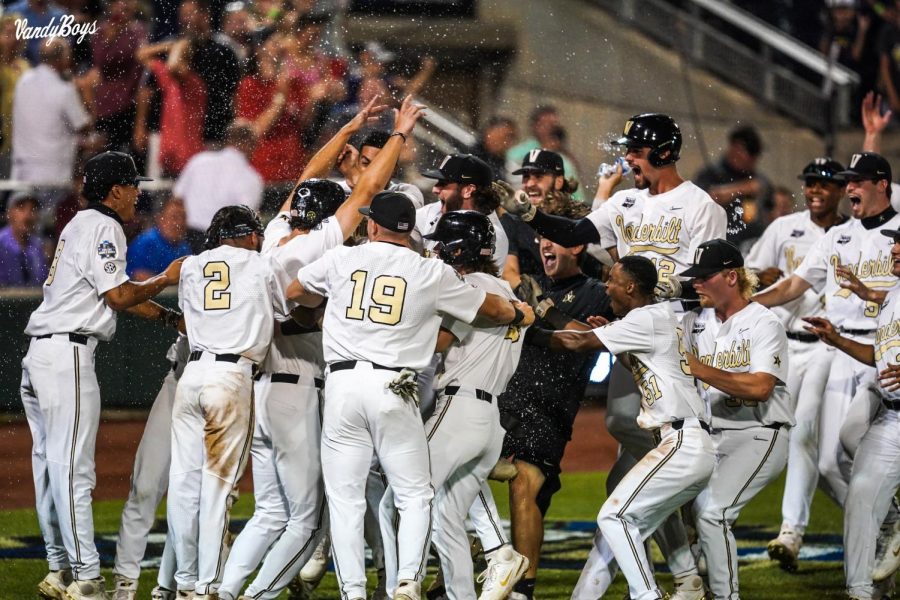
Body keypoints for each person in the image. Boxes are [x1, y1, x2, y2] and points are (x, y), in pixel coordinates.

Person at [505, 113, 725, 600]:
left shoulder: (699, 205)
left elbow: (716, 273)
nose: (628, 157)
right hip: (633, 333)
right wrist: (530, 216)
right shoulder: (625, 200)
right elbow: (576, 230)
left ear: (664, 153)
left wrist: (670, 286)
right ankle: (686, 572)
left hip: (679, 337)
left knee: (633, 429)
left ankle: (692, 544)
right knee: (625, 456)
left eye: (637, 150)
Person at [217, 96, 423, 600]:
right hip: (298, 386)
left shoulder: (274, 235)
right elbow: (370, 188)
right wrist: (398, 133)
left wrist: (350, 124)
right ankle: (257, 596)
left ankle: (220, 592)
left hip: (263, 387)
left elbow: (309, 172)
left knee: (270, 512)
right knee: (309, 520)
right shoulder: (318, 245)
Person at [286, 191, 534, 600]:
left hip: (344, 387)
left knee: (348, 500)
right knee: (417, 495)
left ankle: (354, 591)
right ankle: (407, 584)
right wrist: (521, 312)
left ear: (371, 225)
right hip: (396, 388)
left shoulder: (344, 259)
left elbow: (296, 291)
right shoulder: (430, 273)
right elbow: (491, 308)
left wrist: (330, 308)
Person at [22, 151, 182, 600]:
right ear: (115, 190)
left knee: (51, 472)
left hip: (42, 356)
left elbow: (116, 293)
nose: (137, 194)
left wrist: (168, 318)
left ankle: (60, 568)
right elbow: (118, 294)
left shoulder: (77, 224)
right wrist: (166, 278)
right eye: (133, 186)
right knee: (74, 471)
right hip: (66, 355)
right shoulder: (104, 226)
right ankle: (88, 576)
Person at [534, 256, 714, 600]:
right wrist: (614, 340)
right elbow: (638, 363)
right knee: (628, 522)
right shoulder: (654, 318)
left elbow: (577, 342)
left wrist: (534, 322)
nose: (607, 286)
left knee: (614, 518)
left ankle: (648, 595)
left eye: (613, 280)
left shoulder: (646, 318)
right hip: (682, 441)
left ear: (631, 286)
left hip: (680, 443)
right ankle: (686, 582)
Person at [754, 151, 900, 575]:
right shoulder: (837, 237)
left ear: (882, 185)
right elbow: (794, 285)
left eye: (857, 180)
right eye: (847, 180)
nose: (849, 187)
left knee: (865, 445)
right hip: (840, 351)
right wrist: (746, 305)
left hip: (887, 354)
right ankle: (889, 523)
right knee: (829, 460)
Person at [377, 210, 531, 600]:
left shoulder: (471, 287)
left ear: (460, 248)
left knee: (396, 500)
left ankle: (400, 586)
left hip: (459, 408)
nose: (437, 249)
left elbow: (438, 343)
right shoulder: (506, 291)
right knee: (445, 516)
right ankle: (475, 580)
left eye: (443, 243)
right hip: (488, 419)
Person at [168, 204, 291, 598]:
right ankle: (208, 586)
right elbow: (287, 312)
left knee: (184, 487)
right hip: (230, 378)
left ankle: (185, 583)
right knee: (217, 488)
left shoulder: (191, 265)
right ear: (249, 234)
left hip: (192, 376)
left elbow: (189, 318)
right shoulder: (261, 264)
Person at [499, 234, 616, 600]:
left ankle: (523, 590)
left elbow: (594, 337)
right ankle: (473, 558)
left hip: (550, 406)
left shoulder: (598, 292)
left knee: (525, 486)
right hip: (504, 395)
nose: (544, 247)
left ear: (577, 247)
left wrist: (546, 310)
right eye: (540, 239)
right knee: (459, 476)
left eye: (555, 241)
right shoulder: (533, 280)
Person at [744, 158, 848, 569]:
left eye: (824, 183)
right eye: (810, 183)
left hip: (830, 348)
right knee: (810, 452)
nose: (816, 190)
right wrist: (758, 279)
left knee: (805, 433)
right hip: (786, 345)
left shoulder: (849, 234)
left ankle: (791, 531)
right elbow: (750, 270)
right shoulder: (785, 228)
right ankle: (880, 517)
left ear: (841, 190)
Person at [680, 239, 793, 600]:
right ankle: (690, 588)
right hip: (710, 437)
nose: (695, 283)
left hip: (759, 434)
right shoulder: (694, 320)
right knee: (670, 509)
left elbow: (760, 388)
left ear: (731, 276)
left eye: (704, 276)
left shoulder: (764, 322)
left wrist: (700, 369)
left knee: (714, 513)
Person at [802, 226, 900, 599]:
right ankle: (862, 592)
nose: (895, 248)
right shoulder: (892, 297)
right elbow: (881, 357)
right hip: (892, 417)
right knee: (859, 496)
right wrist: (837, 338)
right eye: (895, 241)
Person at [112, 336, 189, 600]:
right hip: (178, 379)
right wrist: (168, 315)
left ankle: (173, 586)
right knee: (145, 484)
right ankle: (125, 583)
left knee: (198, 498)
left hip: (222, 383)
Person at [11, 37, 91, 188]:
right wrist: (86, 94)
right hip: (52, 172)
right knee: (49, 211)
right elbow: (84, 126)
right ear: (62, 59)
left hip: (22, 169)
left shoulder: (23, 81)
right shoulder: (64, 90)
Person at [173, 121, 264, 251]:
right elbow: (246, 219)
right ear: (250, 145)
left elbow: (177, 199)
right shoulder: (251, 177)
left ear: (228, 139)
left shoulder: (199, 160)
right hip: (220, 244)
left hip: (186, 240)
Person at [417, 153, 509, 270]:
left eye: (443, 183)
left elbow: (473, 285)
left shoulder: (492, 236)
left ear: (468, 190)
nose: (434, 189)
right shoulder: (435, 210)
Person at [694, 125, 772, 248]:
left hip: (751, 245)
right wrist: (742, 189)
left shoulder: (758, 178)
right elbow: (704, 201)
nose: (754, 160)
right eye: (750, 153)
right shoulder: (711, 174)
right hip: (717, 245)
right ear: (737, 148)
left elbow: (772, 208)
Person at [505, 106, 583, 201]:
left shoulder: (565, 160)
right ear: (534, 126)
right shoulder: (517, 152)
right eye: (546, 124)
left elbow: (576, 194)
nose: (550, 128)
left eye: (553, 124)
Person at [336, 129, 426, 208]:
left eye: (379, 165)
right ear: (357, 163)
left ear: (394, 170)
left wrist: (356, 182)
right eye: (365, 163)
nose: (371, 170)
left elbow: (392, 211)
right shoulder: (338, 190)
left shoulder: (409, 192)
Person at [127, 197, 191, 281]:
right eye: (174, 217)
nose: (179, 223)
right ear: (160, 218)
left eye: (183, 217)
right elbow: (140, 277)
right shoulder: (144, 244)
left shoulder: (184, 247)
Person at [0, 190, 49, 286]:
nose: (27, 215)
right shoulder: (1, 244)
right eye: (21, 208)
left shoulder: (38, 247)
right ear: (9, 213)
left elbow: (43, 284)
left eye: (33, 209)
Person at [472, 116, 518, 182]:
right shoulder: (473, 158)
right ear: (490, 133)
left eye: (512, 137)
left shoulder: (498, 159)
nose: (509, 142)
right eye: (507, 136)